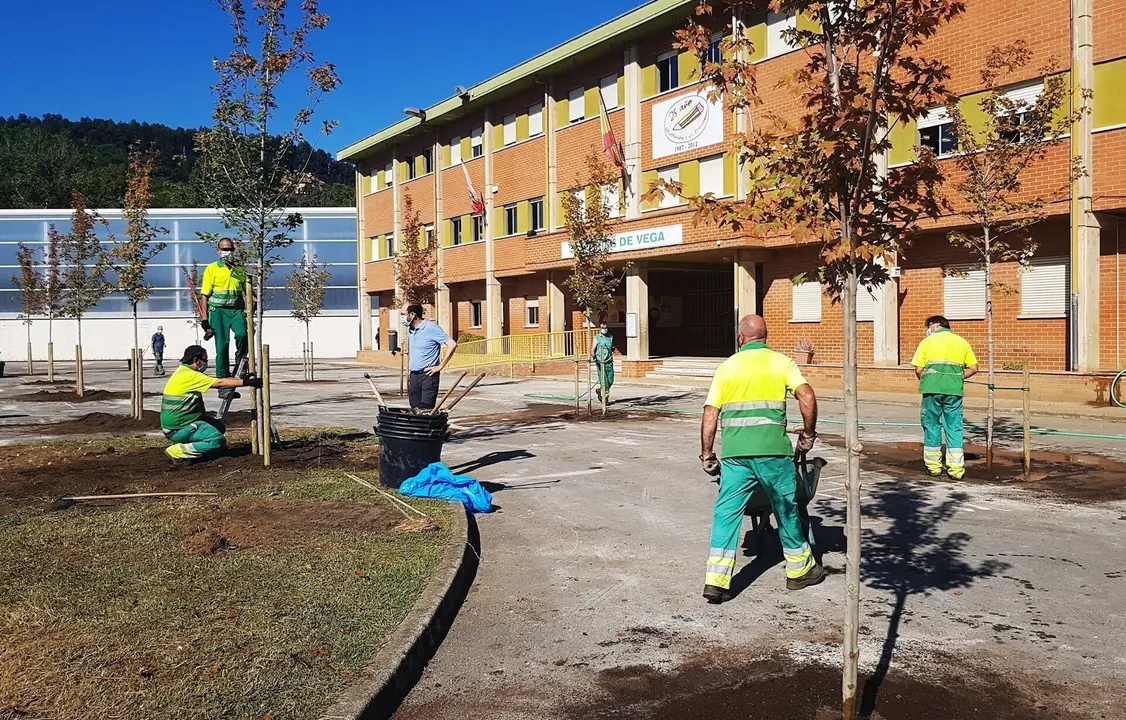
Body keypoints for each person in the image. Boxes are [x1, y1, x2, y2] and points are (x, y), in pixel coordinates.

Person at [699, 314, 825, 604]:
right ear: (765, 337)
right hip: (774, 454)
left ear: (740, 338)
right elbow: (806, 395)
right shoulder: (782, 363)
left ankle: (717, 582)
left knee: (726, 513)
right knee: (786, 509)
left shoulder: (726, 367)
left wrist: (707, 454)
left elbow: (710, 413)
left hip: (735, 457)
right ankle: (800, 570)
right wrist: (807, 435)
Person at [161, 345, 261, 464]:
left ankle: (185, 442)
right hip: (178, 428)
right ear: (196, 360)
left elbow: (219, 380)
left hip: (180, 423)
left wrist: (240, 380)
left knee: (219, 427)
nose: (206, 363)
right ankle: (177, 450)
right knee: (217, 440)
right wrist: (246, 382)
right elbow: (219, 382)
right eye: (204, 360)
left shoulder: (183, 371)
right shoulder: (189, 375)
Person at [910, 315, 979, 479]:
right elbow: (974, 368)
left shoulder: (927, 342)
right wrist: (956, 378)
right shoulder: (962, 342)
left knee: (931, 425)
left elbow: (919, 369)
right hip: (954, 391)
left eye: (928, 327)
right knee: (954, 427)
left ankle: (934, 467)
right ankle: (956, 470)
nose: (927, 330)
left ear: (935, 326)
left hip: (931, 390)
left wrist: (929, 381)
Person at [200, 237, 249, 386]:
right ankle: (223, 379)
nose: (228, 252)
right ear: (218, 251)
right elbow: (204, 294)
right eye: (225, 249)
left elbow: (246, 288)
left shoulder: (239, 269)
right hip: (218, 312)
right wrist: (204, 317)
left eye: (231, 249)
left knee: (242, 334)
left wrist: (253, 298)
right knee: (222, 345)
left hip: (237, 310)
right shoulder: (211, 268)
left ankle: (241, 364)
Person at [405, 304, 458, 411]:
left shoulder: (431, 328)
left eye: (403, 314)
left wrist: (440, 366)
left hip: (428, 376)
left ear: (413, 315)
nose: (402, 317)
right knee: (415, 410)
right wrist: (408, 370)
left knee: (426, 409)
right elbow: (412, 351)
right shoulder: (410, 330)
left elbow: (452, 344)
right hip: (414, 375)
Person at [590, 320, 615, 403]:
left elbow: (611, 347)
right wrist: (594, 358)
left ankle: (600, 391)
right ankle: (604, 399)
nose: (604, 329)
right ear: (599, 328)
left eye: (605, 327)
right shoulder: (597, 338)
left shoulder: (610, 337)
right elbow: (592, 349)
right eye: (602, 328)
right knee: (604, 381)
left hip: (609, 361)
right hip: (600, 361)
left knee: (610, 380)